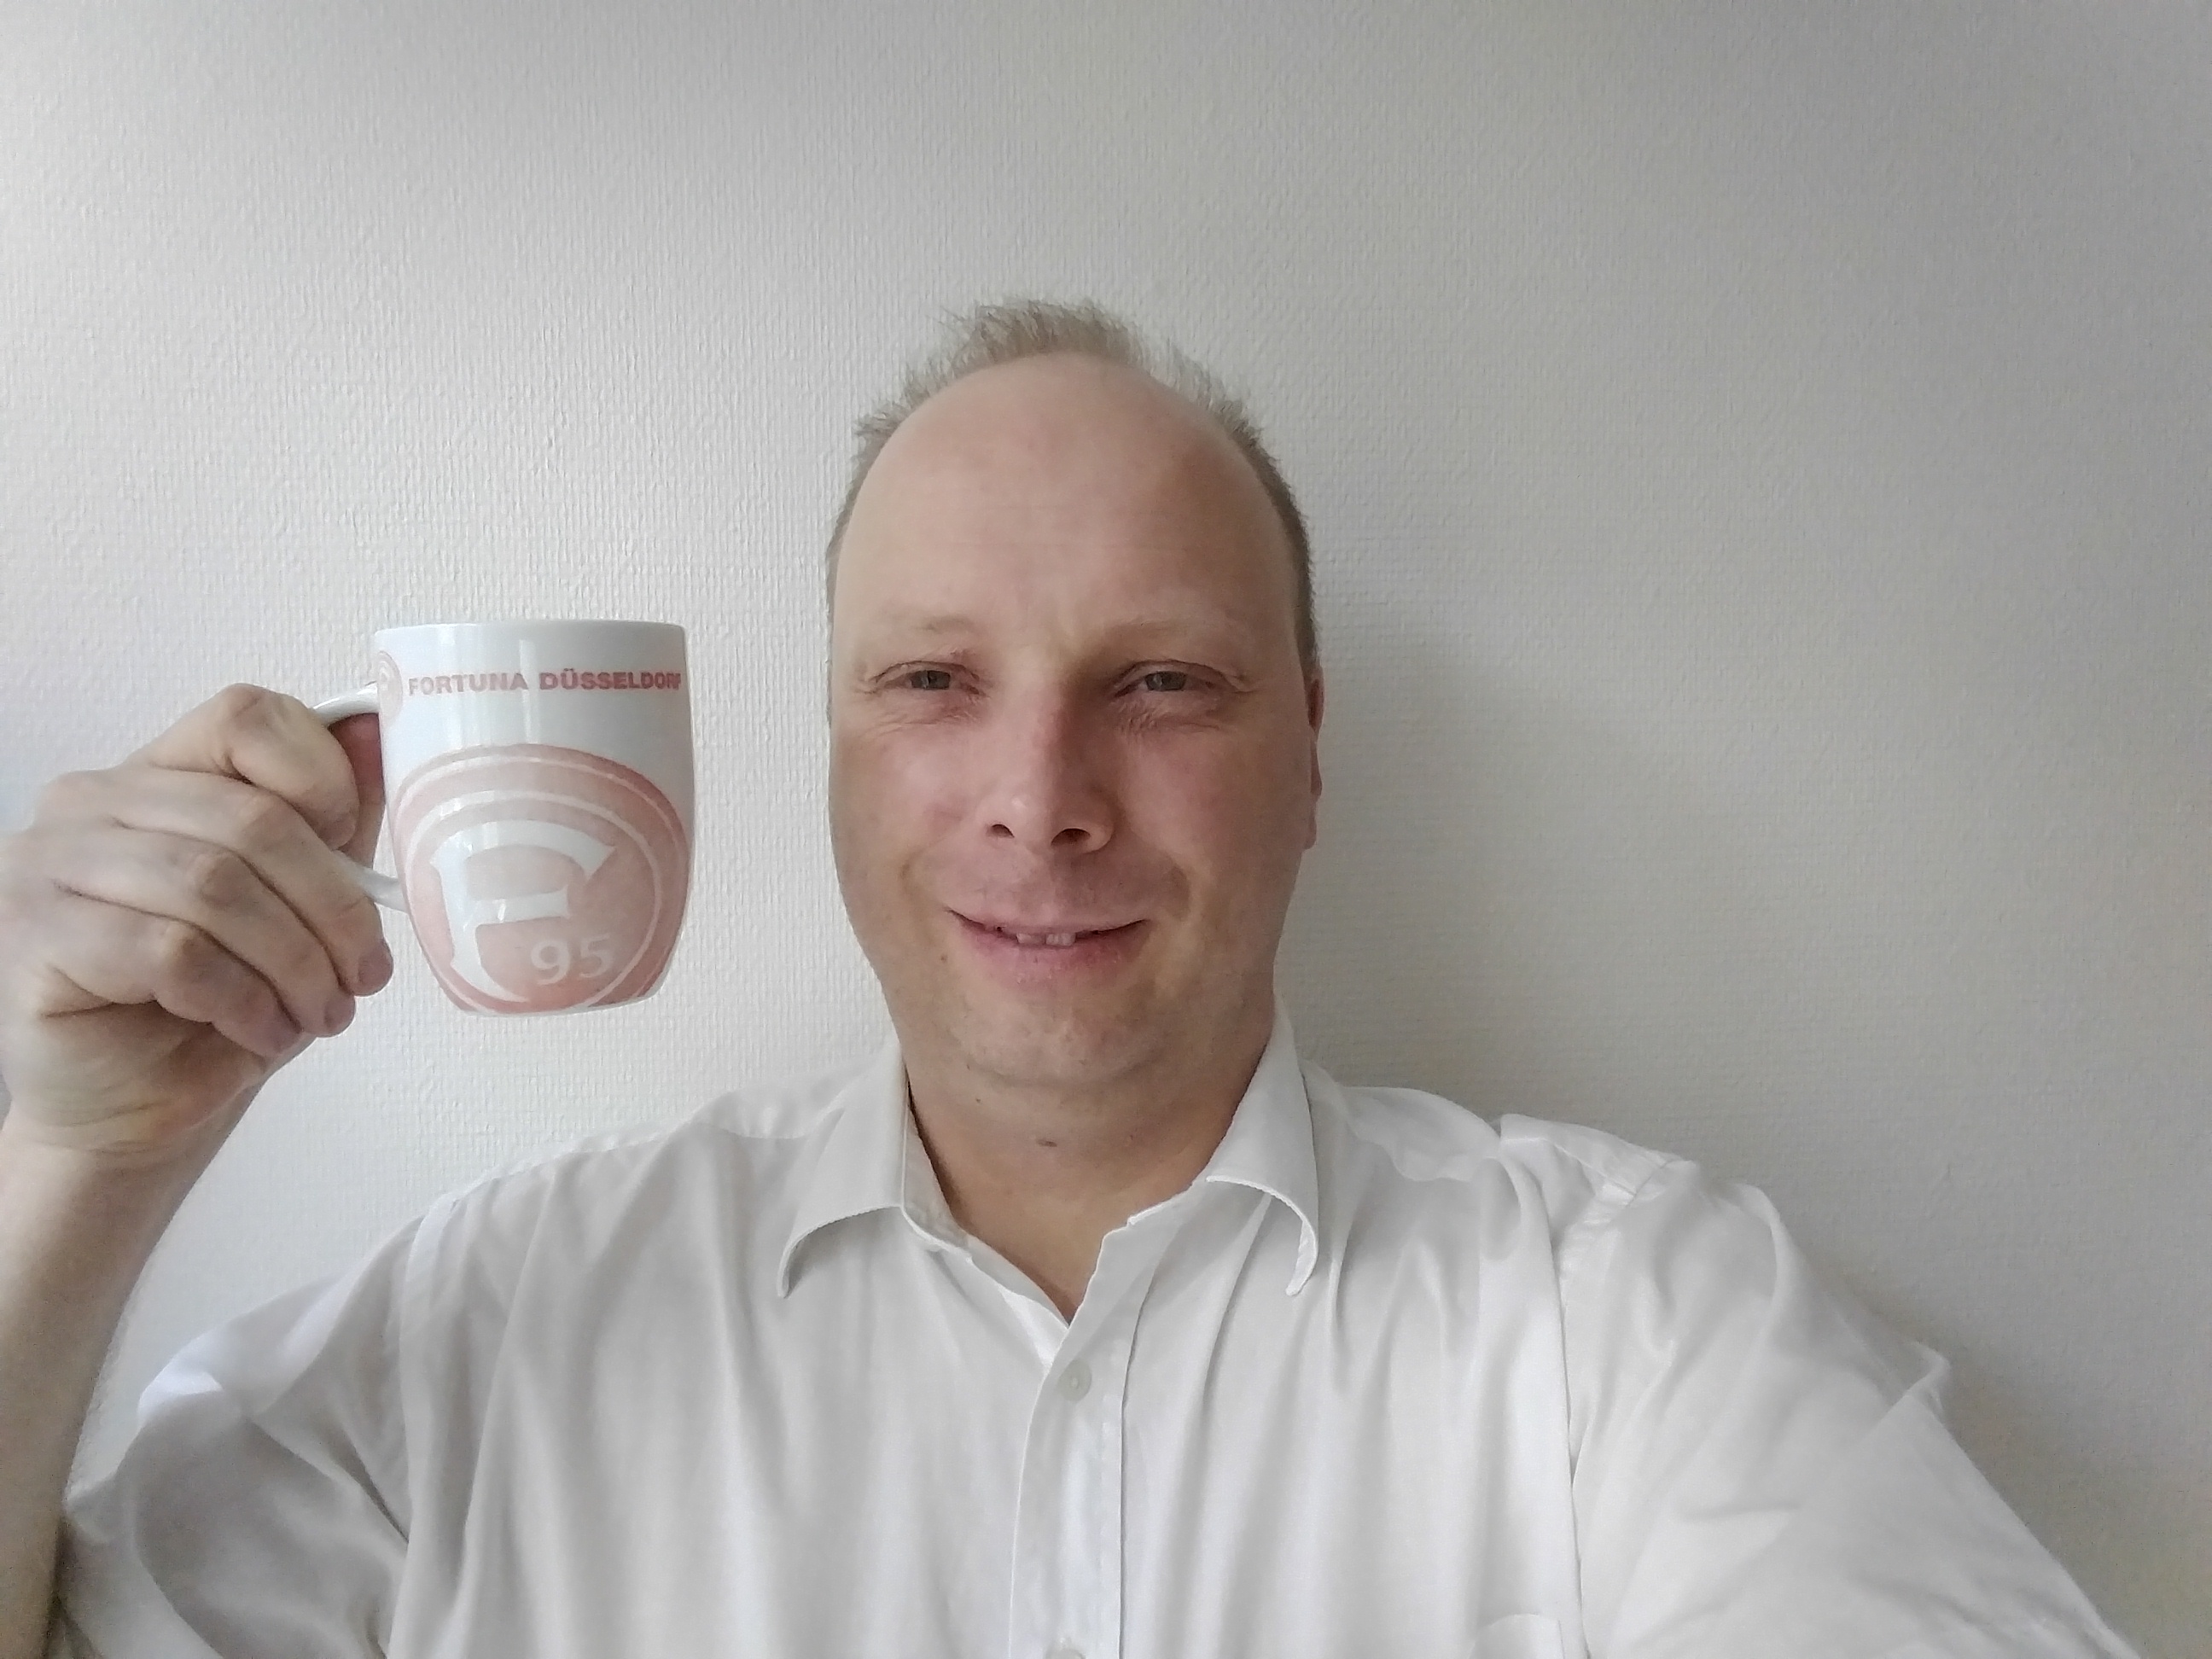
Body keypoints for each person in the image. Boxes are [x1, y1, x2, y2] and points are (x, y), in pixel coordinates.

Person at [0, 300, 2136, 1658]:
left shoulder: (1641, 1328)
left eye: (1164, 683)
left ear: (1311, 753)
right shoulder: (489, 1334)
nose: (1040, 801)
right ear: (828, 753)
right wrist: (79, 1166)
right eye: (933, 681)